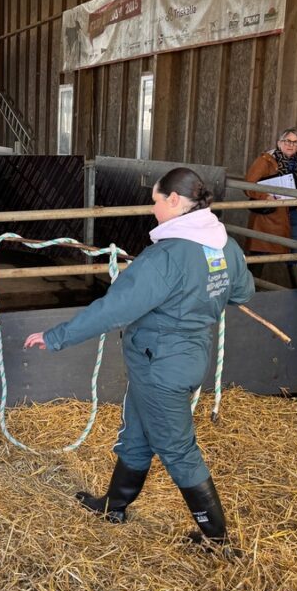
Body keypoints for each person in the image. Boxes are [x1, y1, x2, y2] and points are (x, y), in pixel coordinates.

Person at [23, 167, 254, 551]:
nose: (153, 209)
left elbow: (113, 310)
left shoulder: (165, 256)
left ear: (175, 201)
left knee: (178, 449)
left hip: (160, 364)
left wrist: (56, 337)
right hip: (189, 356)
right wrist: (197, 300)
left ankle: (216, 538)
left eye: (156, 200)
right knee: (137, 435)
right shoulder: (224, 245)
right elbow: (242, 292)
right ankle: (114, 507)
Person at [244, 128, 297, 287]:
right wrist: (264, 196)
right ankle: (249, 292)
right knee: (261, 251)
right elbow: (248, 185)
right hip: (270, 215)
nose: (291, 145)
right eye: (287, 141)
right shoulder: (266, 159)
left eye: (295, 142)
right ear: (279, 143)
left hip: (293, 213)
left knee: (295, 252)